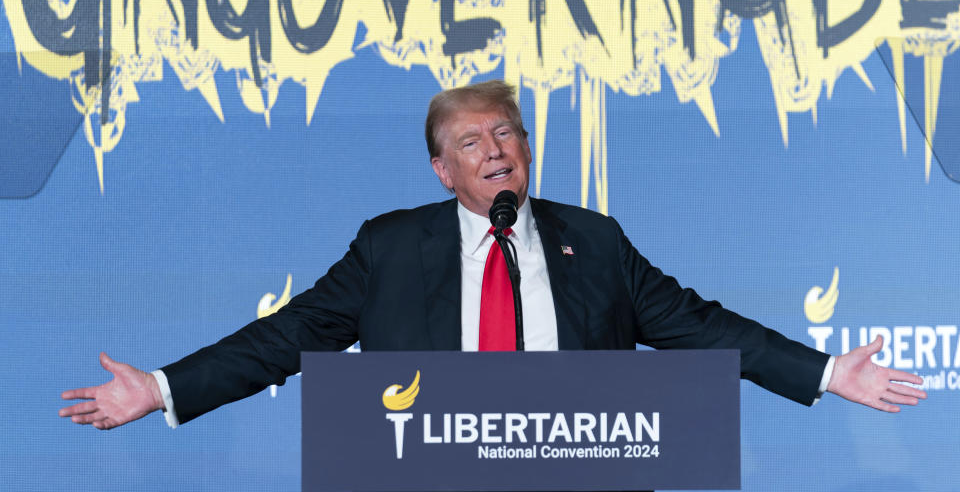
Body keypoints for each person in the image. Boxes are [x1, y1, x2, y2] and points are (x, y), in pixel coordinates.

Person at [60, 80, 926, 430]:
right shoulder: (391, 248)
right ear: (443, 170)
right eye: (472, 140)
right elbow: (287, 338)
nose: (496, 148)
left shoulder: (595, 240)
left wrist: (821, 374)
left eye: (506, 131)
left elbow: (700, 328)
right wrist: (163, 389)